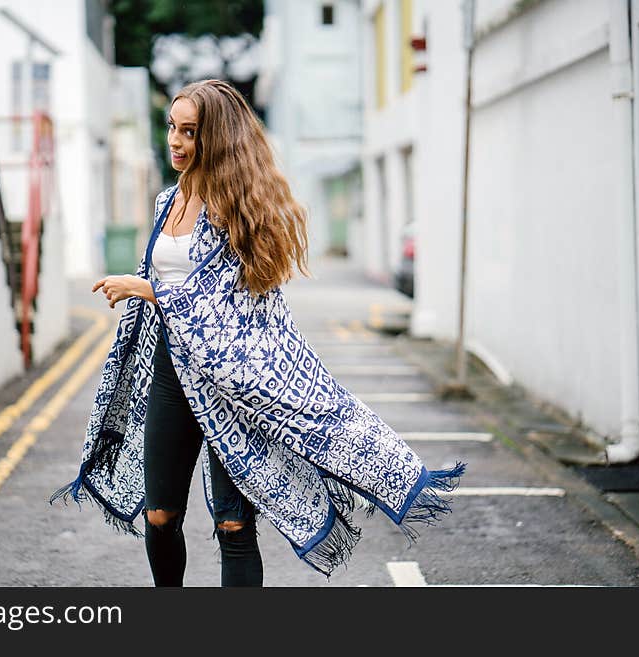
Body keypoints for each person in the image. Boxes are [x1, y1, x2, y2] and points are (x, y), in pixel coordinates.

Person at [51, 79, 464, 587]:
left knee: (234, 524)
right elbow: (172, 281)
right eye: (172, 129)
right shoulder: (165, 202)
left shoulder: (237, 211)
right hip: (171, 372)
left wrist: (144, 289)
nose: (176, 142)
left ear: (217, 139)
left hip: (236, 383)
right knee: (160, 516)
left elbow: (224, 304)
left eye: (190, 132)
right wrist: (149, 291)